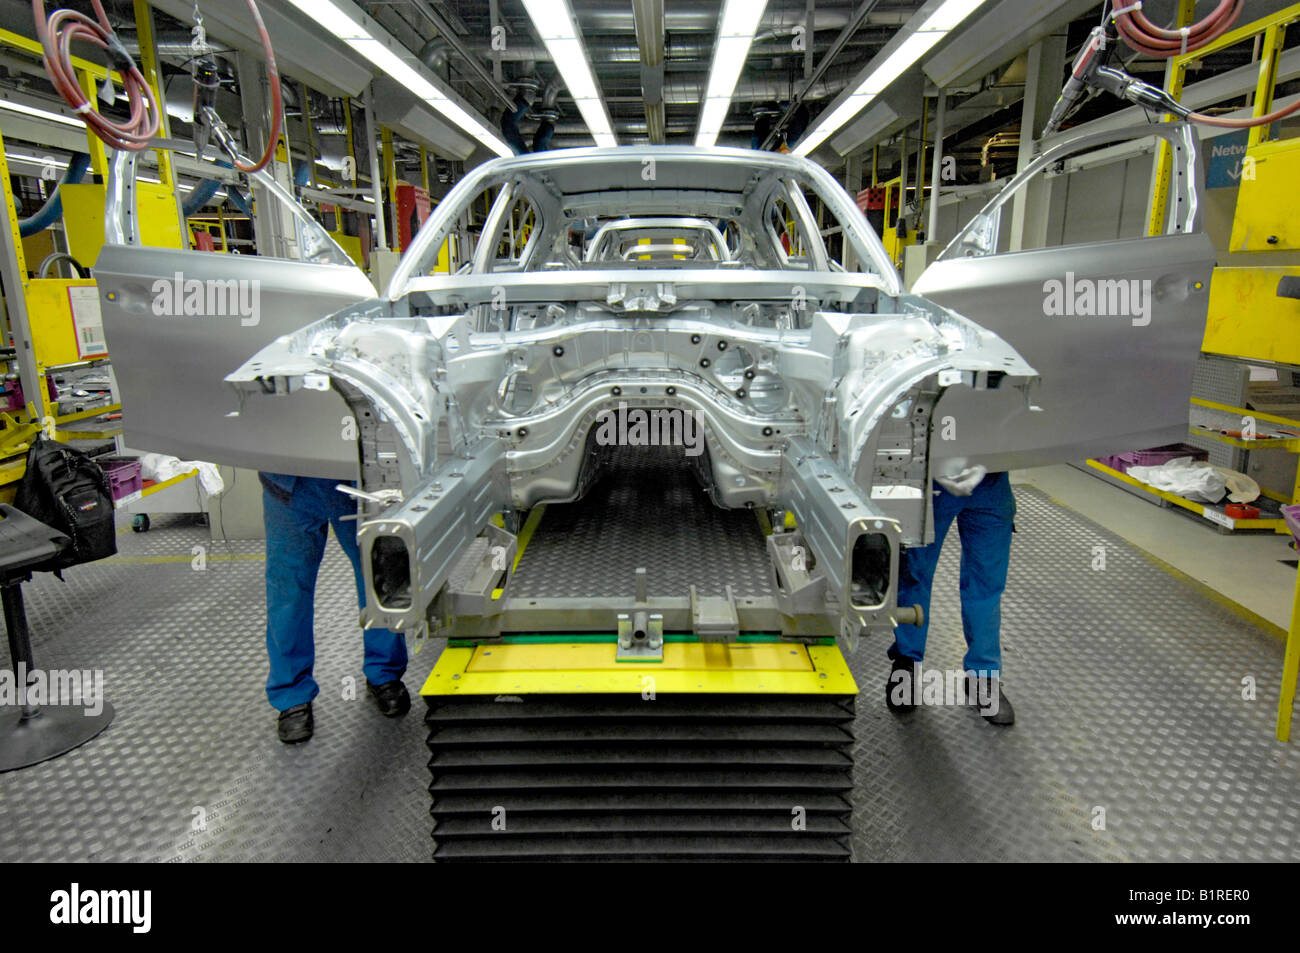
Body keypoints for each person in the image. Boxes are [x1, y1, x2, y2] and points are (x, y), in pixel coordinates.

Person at [260, 472, 409, 743]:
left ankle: (384, 672)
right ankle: (291, 694)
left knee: (377, 573)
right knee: (288, 587)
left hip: (358, 475)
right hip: (287, 478)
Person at [886, 466, 1016, 726]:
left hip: (992, 478)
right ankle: (906, 665)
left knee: (987, 582)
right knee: (914, 574)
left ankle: (983, 676)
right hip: (932, 474)